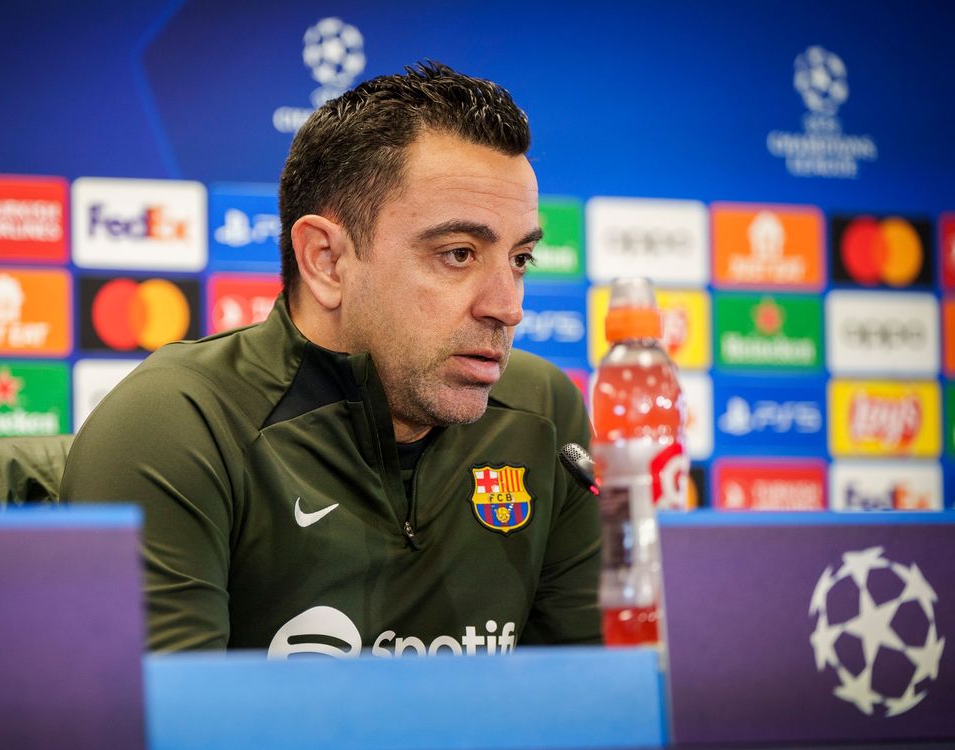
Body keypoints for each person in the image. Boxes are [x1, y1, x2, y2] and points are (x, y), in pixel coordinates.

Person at [60, 62, 601, 656]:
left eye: (520, 260)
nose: (508, 307)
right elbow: (164, 710)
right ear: (326, 260)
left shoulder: (544, 414)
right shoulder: (175, 425)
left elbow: (592, 691)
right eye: (458, 254)